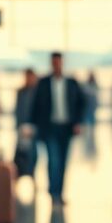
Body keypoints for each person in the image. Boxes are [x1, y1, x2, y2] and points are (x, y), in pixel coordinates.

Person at [26, 52, 84, 206]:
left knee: (63, 162)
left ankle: (60, 193)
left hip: (66, 128)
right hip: (49, 128)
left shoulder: (71, 82)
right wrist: (31, 125)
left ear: (62, 63)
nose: (57, 65)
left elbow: (81, 102)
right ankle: (53, 192)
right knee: (53, 160)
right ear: (51, 64)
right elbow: (35, 105)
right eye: (54, 63)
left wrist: (78, 122)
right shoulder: (43, 83)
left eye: (59, 62)